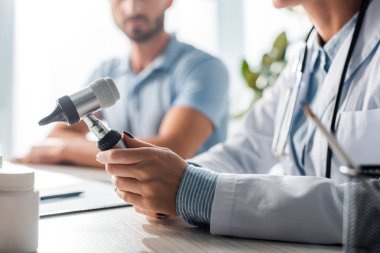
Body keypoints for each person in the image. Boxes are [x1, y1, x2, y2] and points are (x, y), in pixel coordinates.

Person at [96, 0, 380, 244]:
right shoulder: (305, 60)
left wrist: (197, 192)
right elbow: (244, 149)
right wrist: (174, 180)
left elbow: (372, 209)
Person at [15, 0, 229, 167]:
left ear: (169, 1)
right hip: (127, 199)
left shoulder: (204, 68)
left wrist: (64, 151)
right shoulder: (107, 72)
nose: (132, 7)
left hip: (189, 212)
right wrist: (69, 146)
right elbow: (60, 133)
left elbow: (170, 151)